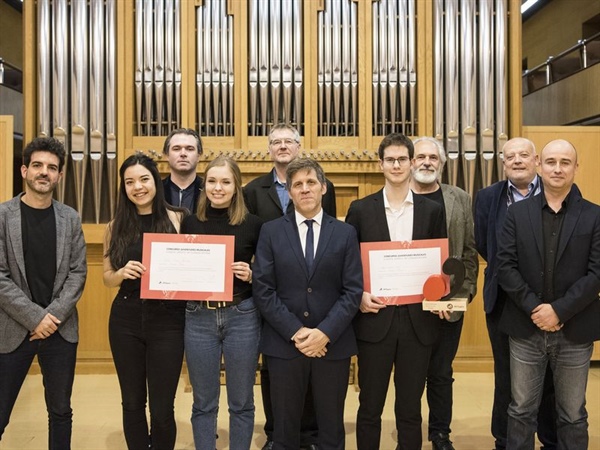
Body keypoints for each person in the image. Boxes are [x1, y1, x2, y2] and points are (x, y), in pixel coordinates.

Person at [345, 132, 447, 450]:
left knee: (410, 410)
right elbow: (349, 265)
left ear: (413, 163)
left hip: (418, 323)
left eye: (403, 159)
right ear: (381, 164)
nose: (397, 165)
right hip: (375, 320)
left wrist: (442, 294)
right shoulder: (360, 209)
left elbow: (440, 266)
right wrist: (359, 295)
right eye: (390, 159)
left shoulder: (432, 210)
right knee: (370, 408)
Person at [253, 157, 363, 450]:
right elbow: (263, 289)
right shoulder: (271, 231)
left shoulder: (345, 233)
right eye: (297, 184)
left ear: (323, 188)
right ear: (289, 192)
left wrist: (324, 332)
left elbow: (353, 291)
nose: (305, 189)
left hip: (332, 345)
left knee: (330, 429)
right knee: (285, 431)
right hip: (285, 344)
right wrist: (297, 332)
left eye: (311, 182)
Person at [496, 139, 600, 449]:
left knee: (572, 414)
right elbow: (505, 267)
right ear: (539, 165)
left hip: (575, 330)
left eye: (565, 162)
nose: (557, 168)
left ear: (575, 168)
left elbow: (597, 273)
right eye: (551, 161)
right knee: (521, 410)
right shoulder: (516, 213)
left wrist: (559, 311)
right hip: (525, 327)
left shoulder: (594, 216)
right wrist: (536, 309)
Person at [244, 123, 336, 450]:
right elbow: (249, 241)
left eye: (288, 141)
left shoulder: (323, 188)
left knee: (313, 376)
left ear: (299, 146)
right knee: (275, 372)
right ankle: (276, 433)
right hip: (276, 299)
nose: (282, 146)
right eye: (276, 142)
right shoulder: (253, 190)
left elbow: (331, 243)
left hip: (318, 298)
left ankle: (309, 433)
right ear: (268, 149)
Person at [0, 137, 87, 449]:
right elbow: (0, 277)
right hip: (13, 328)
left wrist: (52, 318)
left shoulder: (70, 218)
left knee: (61, 411)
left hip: (59, 330)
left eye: (52, 168)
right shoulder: (2, 215)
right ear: (24, 170)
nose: (44, 172)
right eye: (37, 165)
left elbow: (78, 273)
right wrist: (36, 318)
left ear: (60, 176)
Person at [474, 137, 557, 450]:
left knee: (549, 375)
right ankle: (505, 439)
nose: (518, 161)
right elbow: (485, 244)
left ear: (536, 160)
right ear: (503, 161)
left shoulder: (553, 191)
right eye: (511, 156)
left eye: (524, 155)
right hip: (503, 302)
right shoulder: (486, 197)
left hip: (547, 301)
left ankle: (550, 438)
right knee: (506, 376)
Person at [103, 153, 187, 450]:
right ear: (123, 187)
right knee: (132, 401)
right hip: (125, 318)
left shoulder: (179, 218)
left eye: (144, 179)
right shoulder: (115, 226)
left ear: (155, 181)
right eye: (129, 182)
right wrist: (122, 272)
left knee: (163, 407)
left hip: (168, 320)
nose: (137, 186)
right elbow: (106, 276)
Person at [181, 155, 263, 450]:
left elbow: (267, 272)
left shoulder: (253, 224)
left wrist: (253, 273)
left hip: (242, 315)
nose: (218, 188)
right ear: (205, 186)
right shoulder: (191, 221)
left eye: (225, 182)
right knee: (204, 401)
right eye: (212, 181)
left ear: (236, 186)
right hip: (199, 316)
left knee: (241, 400)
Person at [410, 137, 478, 450]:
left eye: (432, 158)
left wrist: (457, 299)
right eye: (420, 156)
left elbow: (468, 252)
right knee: (409, 375)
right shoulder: (398, 197)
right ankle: (408, 430)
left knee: (440, 373)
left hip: (448, 304)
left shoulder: (459, 198)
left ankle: (440, 434)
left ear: (442, 163)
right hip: (406, 303)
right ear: (410, 161)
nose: (426, 162)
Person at [162, 128, 204, 213]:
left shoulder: (209, 190)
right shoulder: (156, 190)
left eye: (190, 149)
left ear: (198, 156)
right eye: (176, 149)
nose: (183, 154)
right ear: (167, 155)